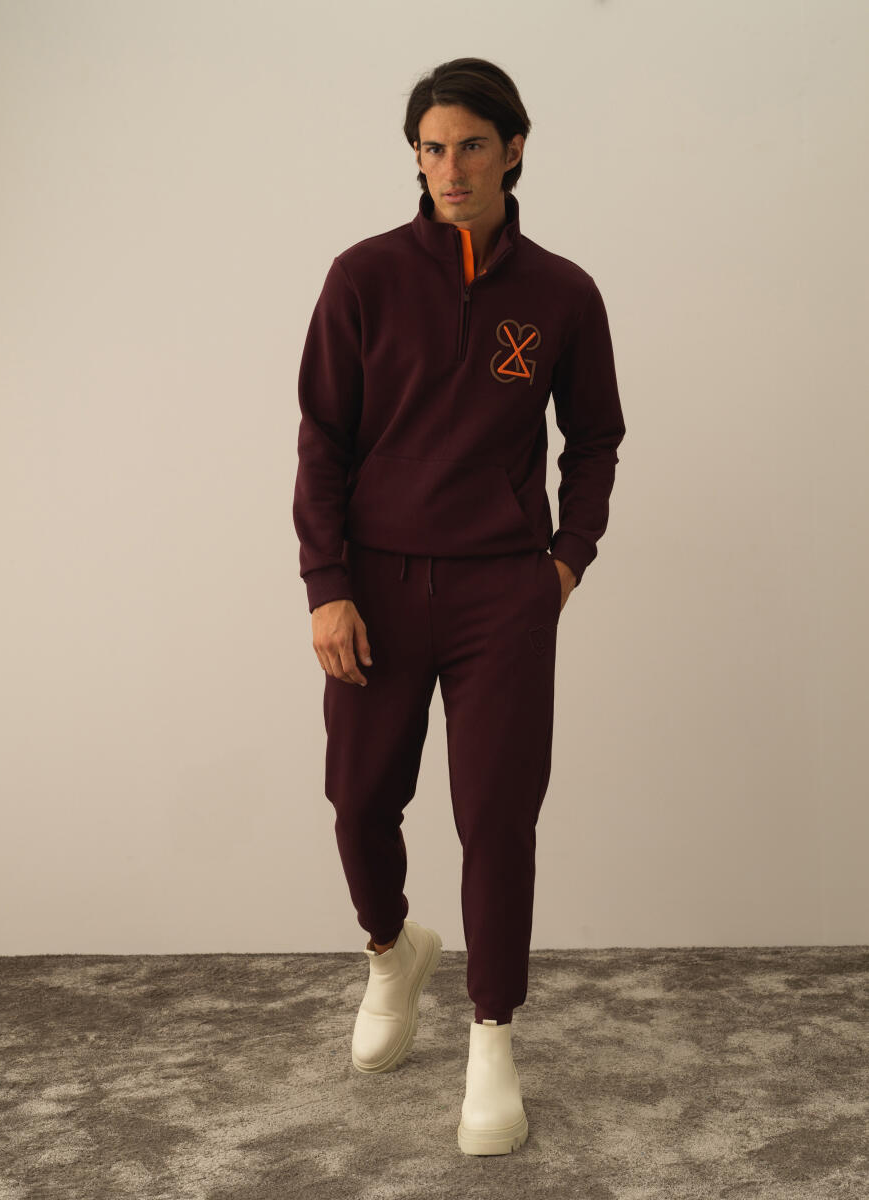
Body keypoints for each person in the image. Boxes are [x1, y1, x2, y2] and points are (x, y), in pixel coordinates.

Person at [292, 56, 626, 1155]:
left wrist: (564, 563)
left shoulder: (563, 294)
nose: (450, 169)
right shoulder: (363, 277)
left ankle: (493, 1039)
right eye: (432, 149)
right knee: (358, 801)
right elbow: (323, 440)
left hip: (501, 595)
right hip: (377, 589)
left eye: (471, 146)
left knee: (495, 817)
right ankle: (393, 951)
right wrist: (328, 586)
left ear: (514, 149)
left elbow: (596, 439)